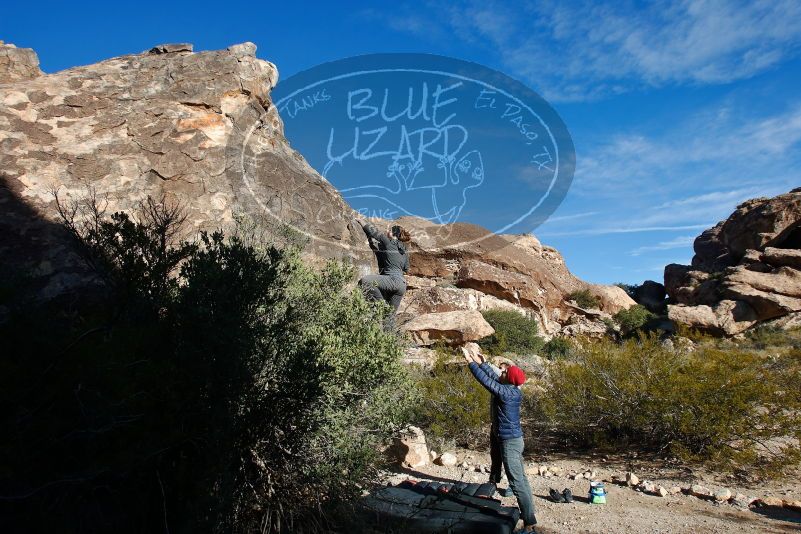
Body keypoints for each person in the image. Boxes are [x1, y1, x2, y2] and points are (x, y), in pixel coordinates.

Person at [461, 344, 537, 533]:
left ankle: (529, 523)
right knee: (517, 477)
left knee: (517, 481)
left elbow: (486, 382)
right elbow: (492, 376)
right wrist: (481, 362)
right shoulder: (508, 386)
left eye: (505, 371)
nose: (502, 371)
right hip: (505, 437)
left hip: (510, 442)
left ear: (509, 378)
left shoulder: (508, 393)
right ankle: (495, 486)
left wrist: (470, 363)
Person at [354, 218, 411, 329]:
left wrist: (361, 221)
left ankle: (381, 305)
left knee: (366, 281)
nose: (387, 232)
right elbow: (407, 269)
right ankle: (391, 344)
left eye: (389, 230)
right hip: (402, 285)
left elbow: (373, 232)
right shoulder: (404, 252)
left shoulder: (388, 242)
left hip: (392, 280)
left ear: (392, 233)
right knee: (389, 317)